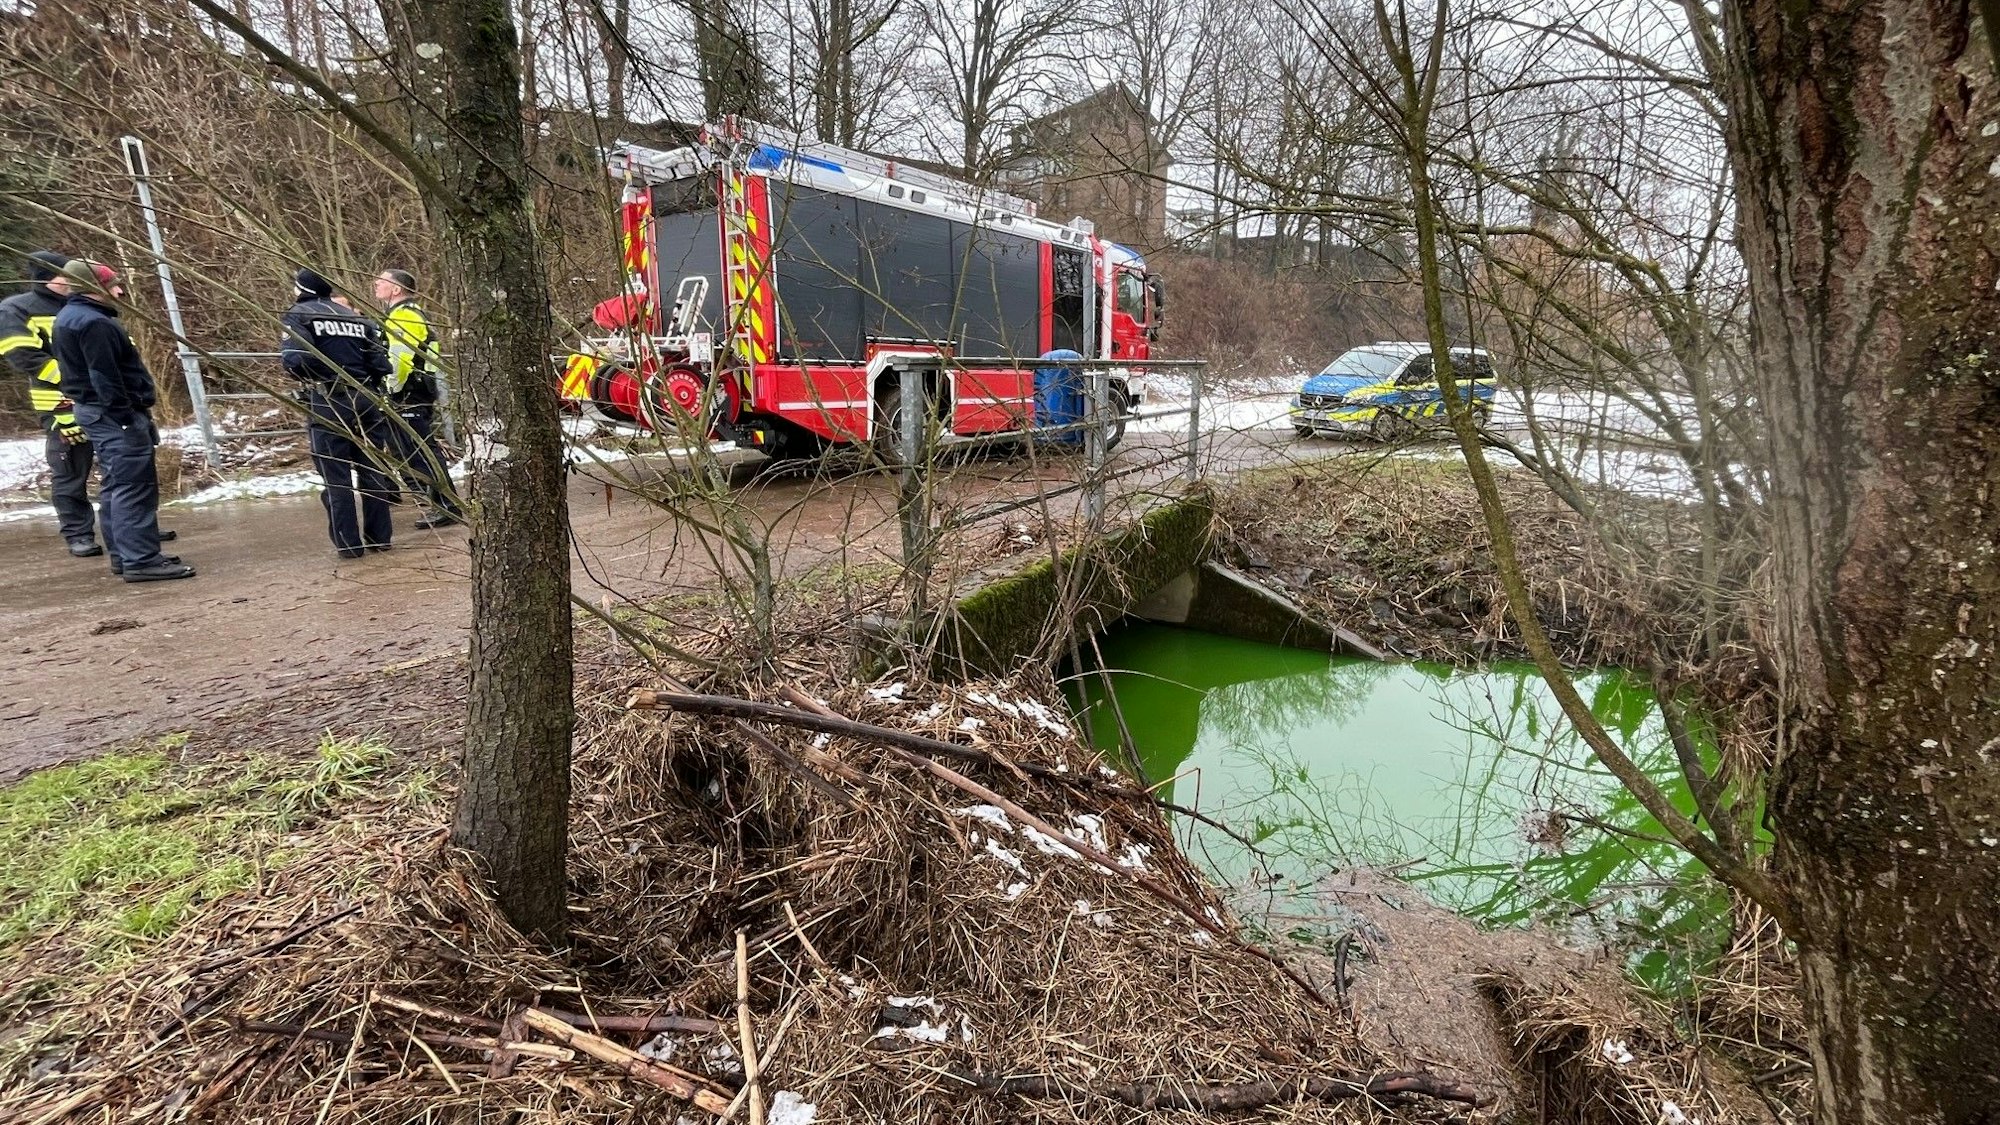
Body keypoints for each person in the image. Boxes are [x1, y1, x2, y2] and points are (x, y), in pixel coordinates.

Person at [51, 261, 195, 582]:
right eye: (112, 285)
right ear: (92, 287)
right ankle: (141, 560)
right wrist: (125, 416)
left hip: (98, 412)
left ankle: (127, 554)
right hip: (113, 416)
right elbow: (104, 375)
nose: (119, 290)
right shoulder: (93, 323)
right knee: (133, 487)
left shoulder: (71, 318)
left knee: (116, 486)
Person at [282, 267, 395, 558]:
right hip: (367, 399)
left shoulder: (299, 315)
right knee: (372, 470)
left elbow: (295, 360)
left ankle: (349, 545)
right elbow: (382, 365)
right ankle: (380, 538)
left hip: (329, 402)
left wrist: (324, 378)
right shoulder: (355, 317)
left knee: (336, 477)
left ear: (301, 289)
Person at [1, 251, 98, 556]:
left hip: (107, 398)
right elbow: (24, 356)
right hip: (60, 404)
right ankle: (78, 534)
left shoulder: (84, 304)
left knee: (124, 467)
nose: (72, 281)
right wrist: (75, 381)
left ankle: (132, 526)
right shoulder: (17, 309)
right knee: (70, 471)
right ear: (47, 278)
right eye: (66, 276)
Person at [373, 268, 460, 528]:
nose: (375, 284)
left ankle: (446, 505)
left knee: (421, 451)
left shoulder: (404, 316)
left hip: (409, 394)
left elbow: (400, 359)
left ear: (396, 289)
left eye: (381, 281)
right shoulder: (405, 314)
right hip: (416, 391)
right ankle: (442, 504)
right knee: (417, 450)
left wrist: (391, 389)